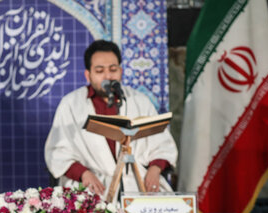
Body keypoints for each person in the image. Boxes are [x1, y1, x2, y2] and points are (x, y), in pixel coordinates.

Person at [45, 40, 177, 200]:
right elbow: (57, 152)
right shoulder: (71, 104)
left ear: (121, 71)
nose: (108, 76)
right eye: (100, 71)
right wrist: (84, 174)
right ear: (88, 75)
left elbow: (162, 144)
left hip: (138, 183)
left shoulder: (139, 101)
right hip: (92, 186)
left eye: (113, 70)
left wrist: (155, 169)